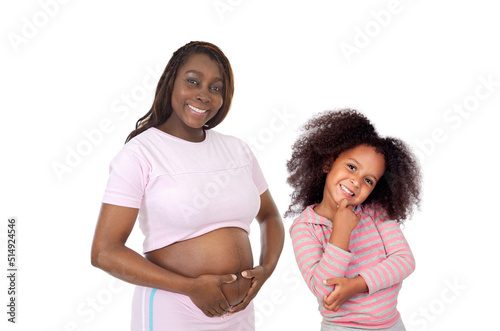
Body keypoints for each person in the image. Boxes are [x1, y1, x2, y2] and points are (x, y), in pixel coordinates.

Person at [91, 41, 284, 331]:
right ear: (171, 83)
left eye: (215, 88)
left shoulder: (238, 150)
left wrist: (266, 270)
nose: (203, 95)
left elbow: (270, 216)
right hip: (174, 311)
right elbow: (104, 252)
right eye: (193, 81)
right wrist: (190, 287)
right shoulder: (140, 153)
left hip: (240, 314)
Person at [286, 109, 421, 330]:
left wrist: (357, 285)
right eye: (351, 167)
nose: (356, 181)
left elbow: (404, 261)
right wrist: (341, 232)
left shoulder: (375, 212)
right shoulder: (305, 227)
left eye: (368, 180)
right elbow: (326, 291)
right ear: (328, 163)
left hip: (392, 324)